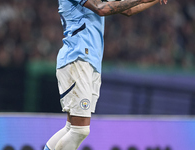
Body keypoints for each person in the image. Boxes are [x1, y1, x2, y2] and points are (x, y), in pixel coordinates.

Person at [43, 0, 167, 149]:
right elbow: (101, 9)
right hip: (77, 58)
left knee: (71, 127)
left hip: (90, 62)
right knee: (79, 130)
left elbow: (128, 9)